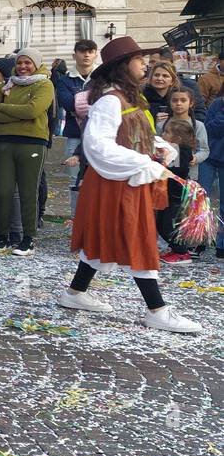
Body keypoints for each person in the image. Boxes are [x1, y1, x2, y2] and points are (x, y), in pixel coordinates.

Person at [56, 36, 202, 333]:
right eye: (139, 60)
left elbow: (135, 134)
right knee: (139, 238)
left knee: (103, 238)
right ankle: (156, 310)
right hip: (115, 182)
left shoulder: (128, 98)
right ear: (123, 66)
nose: (146, 64)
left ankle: (74, 293)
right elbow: (97, 146)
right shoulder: (110, 101)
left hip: (122, 179)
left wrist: (159, 146)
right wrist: (142, 163)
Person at [0, 48, 54, 257]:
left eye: (28, 63)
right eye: (20, 62)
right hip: (4, 143)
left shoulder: (44, 84)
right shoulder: (6, 84)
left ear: (36, 64)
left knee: (28, 192)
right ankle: (3, 236)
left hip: (32, 142)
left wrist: (5, 107)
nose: (23, 67)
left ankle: (28, 238)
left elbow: (34, 110)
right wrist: (19, 112)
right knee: (3, 191)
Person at [155, 86, 208, 265]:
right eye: (175, 100)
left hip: (181, 186)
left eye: (183, 100)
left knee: (175, 220)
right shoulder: (162, 124)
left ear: (191, 103)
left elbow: (204, 150)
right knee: (163, 219)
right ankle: (176, 248)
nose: (178, 104)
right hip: (166, 187)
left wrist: (195, 158)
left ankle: (181, 250)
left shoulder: (197, 126)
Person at [54, 40, 99, 213]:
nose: (86, 55)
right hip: (75, 134)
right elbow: (69, 104)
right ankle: (76, 217)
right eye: (82, 51)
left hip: (98, 134)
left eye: (90, 51)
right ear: (74, 55)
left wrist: (81, 101)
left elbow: (104, 102)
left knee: (97, 174)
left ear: (96, 54)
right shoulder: (65, 80)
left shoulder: (101, 78)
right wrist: (93, 106)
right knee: (74, 178)